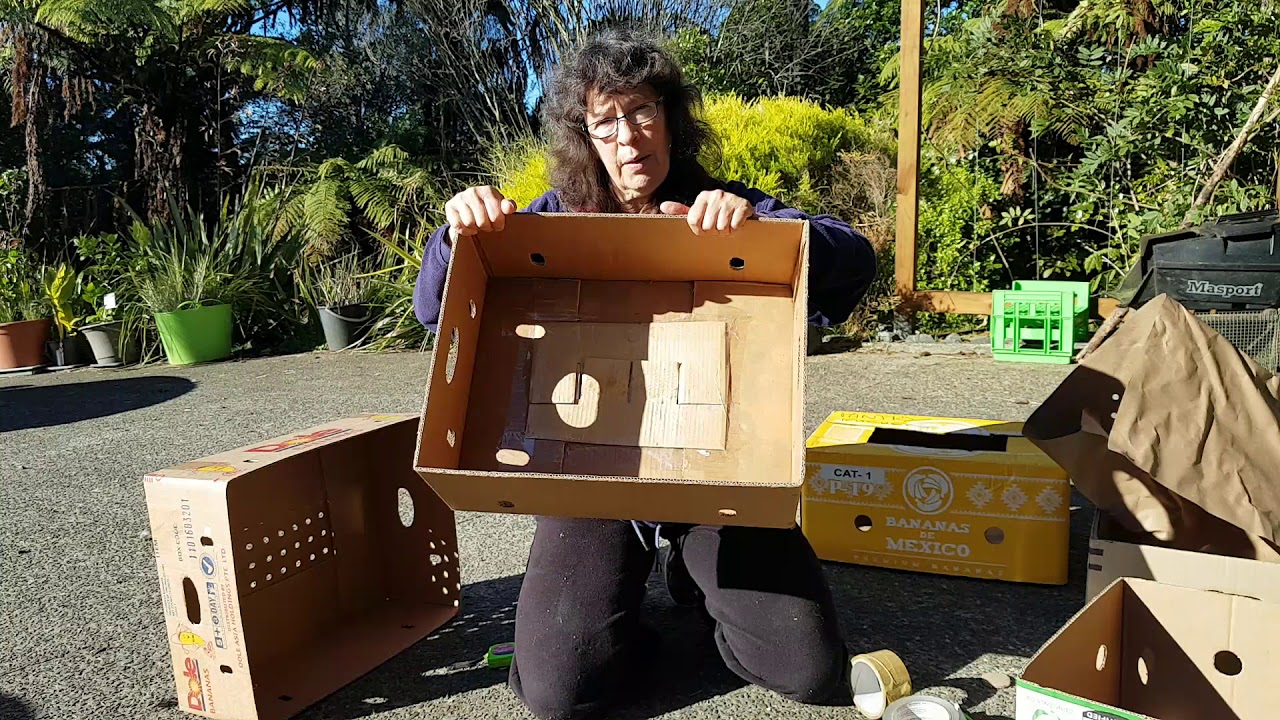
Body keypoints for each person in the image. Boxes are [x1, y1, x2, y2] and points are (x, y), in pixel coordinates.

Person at [413, 28, 877, 720]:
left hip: (720, 484)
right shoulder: (549, 219)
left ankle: (692, 571)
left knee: (808, 673)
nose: (628, 137)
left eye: (641, 111)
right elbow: (432, 311)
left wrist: (765, 229)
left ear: (670, 117)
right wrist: (455, 236)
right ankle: (628, 612)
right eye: (605, 121)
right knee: (558, 695)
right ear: (585, 137)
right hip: (592, 485)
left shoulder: (723, 208)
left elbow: (856, 260)